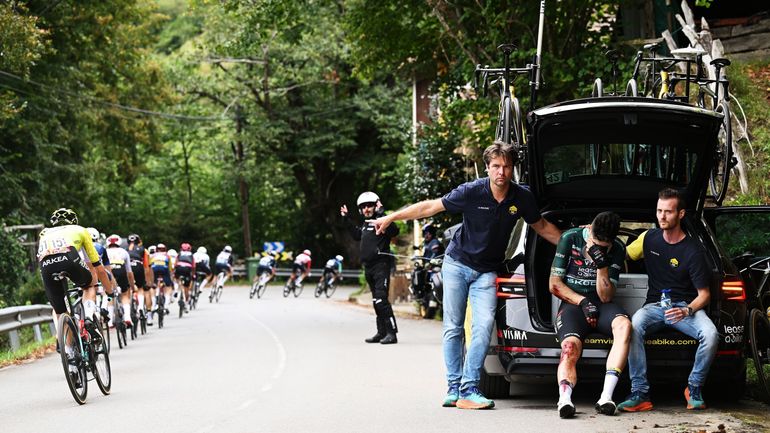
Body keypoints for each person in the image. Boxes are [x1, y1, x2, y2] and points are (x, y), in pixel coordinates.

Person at [370, 142, 561, 409]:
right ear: (487, 167)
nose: (501, 172)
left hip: (487, 271)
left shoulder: (521, 198)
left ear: (513, 168)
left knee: (482, 328)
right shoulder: (472, 191)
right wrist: (391, 217)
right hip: (457, 265)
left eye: (506, 166)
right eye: (496, 166)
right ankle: (453, 388)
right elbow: (429, 207)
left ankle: (469, 388)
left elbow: (541, 226)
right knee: (453, 327)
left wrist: (575, 244)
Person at [617, 188, 717, 412]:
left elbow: (705, 295)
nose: (662, 216)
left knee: (710, 335)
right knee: (633, 326)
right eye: (659, 211)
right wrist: (592, 236)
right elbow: (620, 254)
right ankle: (640, 393)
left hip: (684, 308)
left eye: (668, 212)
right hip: (654, 306)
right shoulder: (648, 239)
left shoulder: (693, 251)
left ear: (680, 214)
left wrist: (687, 311)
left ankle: (694, 388)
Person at [549, 212, 631, 418]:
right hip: (574, 303)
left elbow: (606, 297)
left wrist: (601, 266)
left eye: (605, 246)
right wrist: (582, 301)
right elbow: (554, 284)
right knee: (569, 347)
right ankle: (565, 400)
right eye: (596, 244)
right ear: (590, 231)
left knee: (624, 326)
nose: (599, 248)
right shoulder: (570, 238)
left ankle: (606, 397)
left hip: (602, 304)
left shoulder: (618, 248)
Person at [38, 209, 113, 334]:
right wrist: (109, 292)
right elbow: (97, 266)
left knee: (60, 311)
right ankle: (89, 317)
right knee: (89, 285)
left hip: (46, 265)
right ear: (74, 221)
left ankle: (67, 349)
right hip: (69, 257)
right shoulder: (80, 230)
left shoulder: (44, 233)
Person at [341, 191, 400, 345]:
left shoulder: (382, 221)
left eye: (370, 206)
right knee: (376, 301)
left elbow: (394, 231)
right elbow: (356, 235)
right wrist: (346, 219)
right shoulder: (366, 224)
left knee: (381, 300)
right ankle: (381, 333)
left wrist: (383, 213)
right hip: (369, 268)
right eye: (363, 207)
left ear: (376, 206)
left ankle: (391, 333)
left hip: (381, 266)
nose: (367, 209)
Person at [106, 234, 136, 327]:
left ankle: (110, 321)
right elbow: (129, 272)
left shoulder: (105, 251)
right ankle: (127, 318)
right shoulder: (124, 251)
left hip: (108, 271)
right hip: (121, 270)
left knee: (109, 294)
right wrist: (131, 285)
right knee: (125, 294)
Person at [126, 234, 154, 325]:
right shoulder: (143, 250)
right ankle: (141, 307)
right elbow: (146, 268)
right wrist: (148, 281)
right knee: (142, 288)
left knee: (127, 289)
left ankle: (129, 310)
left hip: (127, 268)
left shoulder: (125, 250)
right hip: (138, 266)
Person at [150, 243, 174, 315]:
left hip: (154, 269)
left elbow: (149, 265)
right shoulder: (167, 255)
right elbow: (170, 268)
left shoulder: (153, 255)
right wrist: (171, 276)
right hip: (164, 269)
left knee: (153, 286)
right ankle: (166, 305)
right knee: (168, 287)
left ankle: (154, 303)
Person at [175, 243, 195, 313]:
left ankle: (177, 289)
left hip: (179, 267)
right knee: (187, 288)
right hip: (187, 269)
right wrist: (193, 274)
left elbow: (175, 263)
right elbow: (193, 266)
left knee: (177, 279)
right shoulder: (191, 255)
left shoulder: (179, 253)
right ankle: (186, 305)